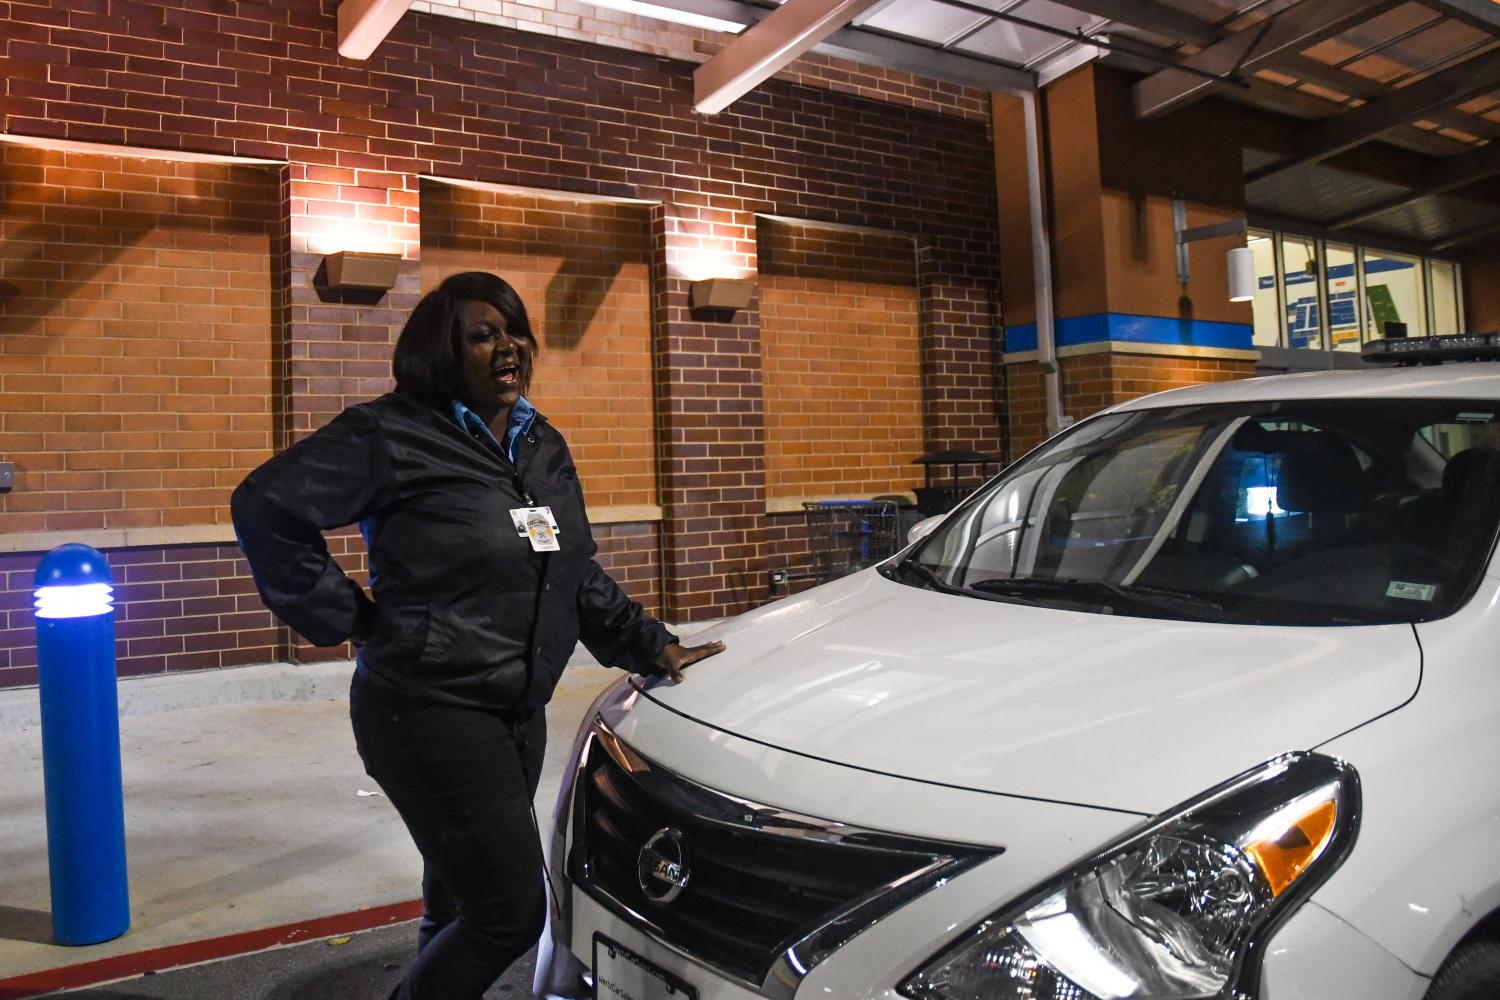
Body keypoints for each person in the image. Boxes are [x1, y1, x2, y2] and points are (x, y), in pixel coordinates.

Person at [230, 271, 725, 999]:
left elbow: (570, 569)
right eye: (483, 334)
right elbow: (265, 506)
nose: (508, 347)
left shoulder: (539, 444)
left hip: (515, 713)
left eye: (515, 330)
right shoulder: (391, 435)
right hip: (428, 710)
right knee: (508, 912)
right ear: (441, 352)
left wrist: (648, 642)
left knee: (462, 899)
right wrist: (354, 620)